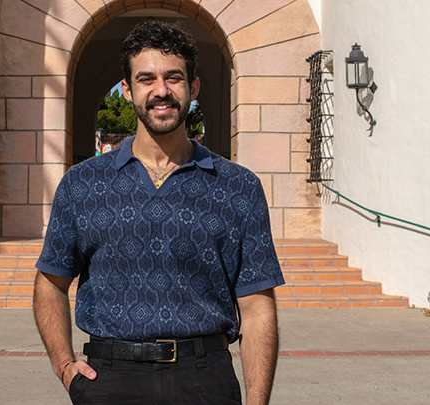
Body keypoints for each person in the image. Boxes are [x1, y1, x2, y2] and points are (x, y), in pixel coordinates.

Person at [33, 19, 284, 405]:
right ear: (128, 88)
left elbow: (257, 308)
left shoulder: (238, 186)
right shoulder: (82, 184)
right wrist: (65, 367)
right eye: (146, 79)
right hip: (110, 378)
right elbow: (51, 282)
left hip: (206, 379)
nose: (161, 91)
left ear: (193, 87)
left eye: (174, 78)